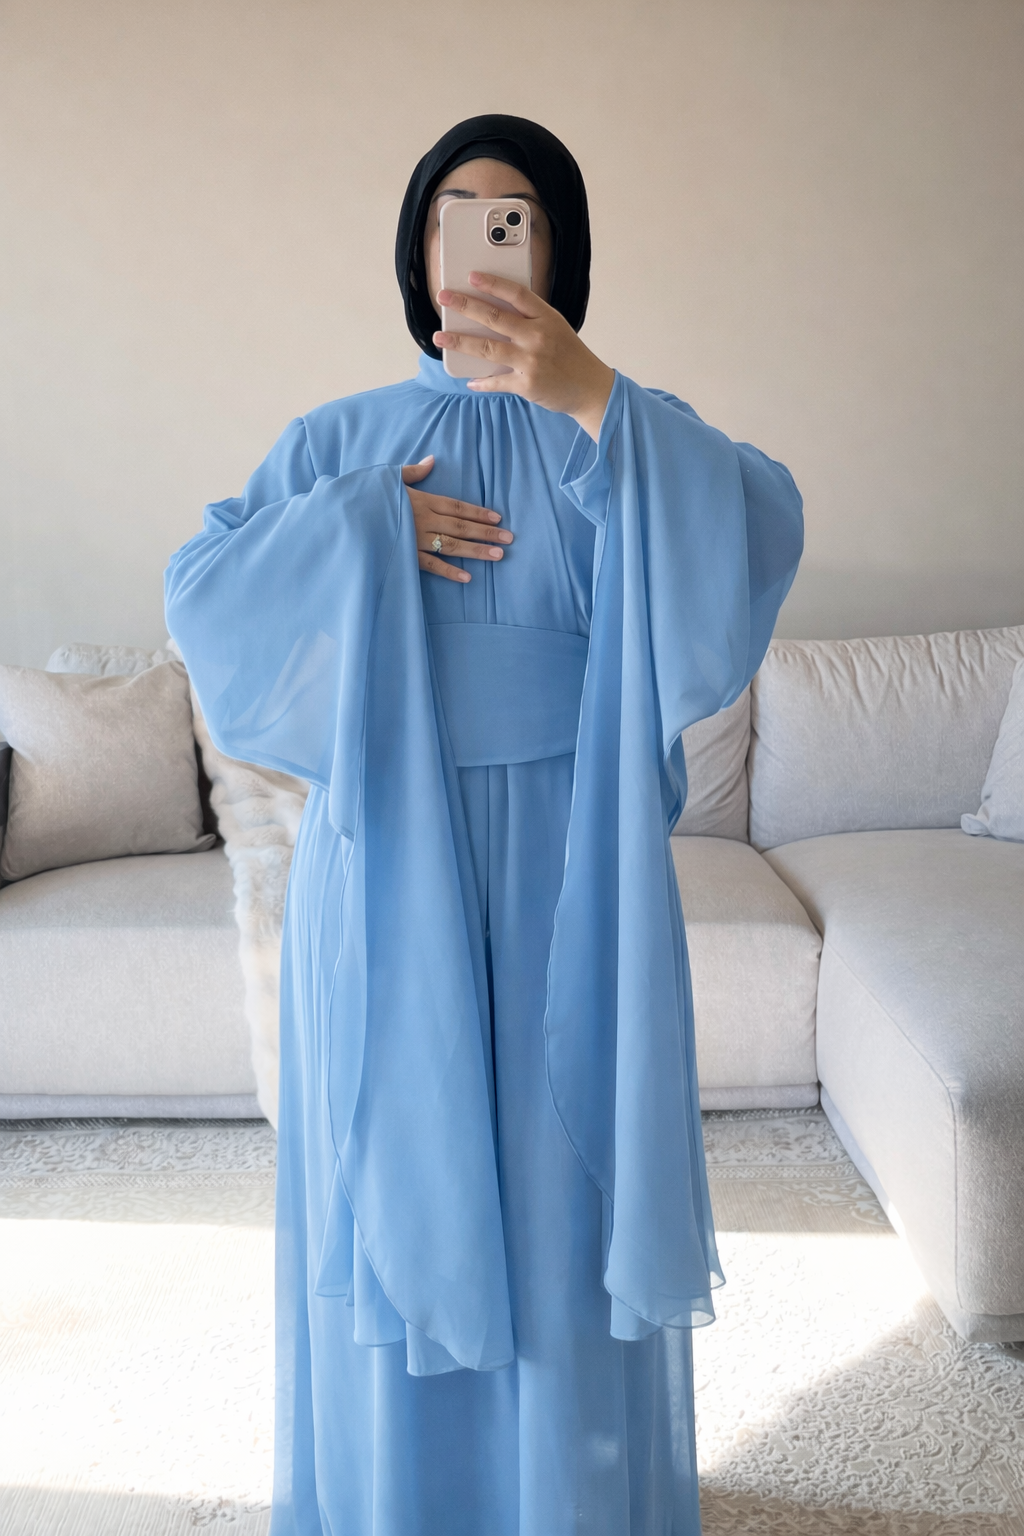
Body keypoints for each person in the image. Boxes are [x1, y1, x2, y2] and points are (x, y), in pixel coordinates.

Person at [165, 115, 803, 1536]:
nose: (483, 244)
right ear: (418, 248)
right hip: (389, 858)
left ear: (559, 250)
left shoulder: (621, 428)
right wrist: (358, 529)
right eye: (457, 214)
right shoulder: (342, 441)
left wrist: (598, 399)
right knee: (399, 1168)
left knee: (561, 1186)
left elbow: (758, 528)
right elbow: (203, 595)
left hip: (573, 862)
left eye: (516, 216)